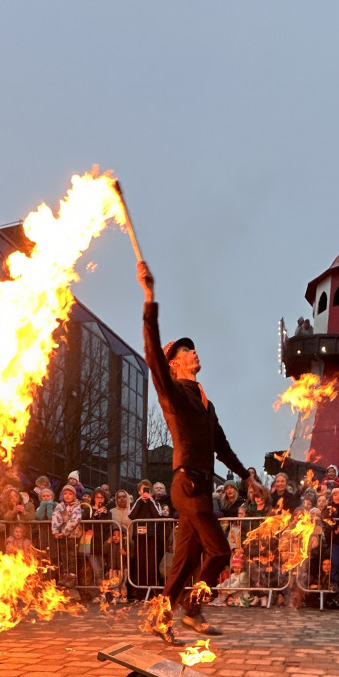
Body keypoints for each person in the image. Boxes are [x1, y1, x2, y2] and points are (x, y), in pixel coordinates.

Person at [137, 259, 262, 643]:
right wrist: (149, 298)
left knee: (187, 560)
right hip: (187, 484)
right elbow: (153, 355)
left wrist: (246, 476)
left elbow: (221, 445)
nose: (194, 353)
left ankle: (161, 618)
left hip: (202, 486)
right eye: (187, 351)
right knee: (221, 552)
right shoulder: (173, 393)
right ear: (175, 364)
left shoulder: (205, 403)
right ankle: (192, 609)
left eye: (194, 349)